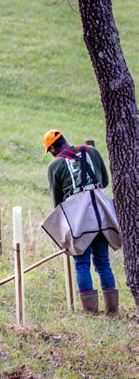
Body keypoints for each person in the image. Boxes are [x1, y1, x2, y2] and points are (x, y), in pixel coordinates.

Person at [43, 130, 119, 315]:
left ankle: (91, 314)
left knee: (82, 264)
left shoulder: (55, 165)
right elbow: (105, 181)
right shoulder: (91, 151)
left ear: (52, 148)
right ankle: (112, 312)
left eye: (50, 150)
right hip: (101, 213)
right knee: (103, 262)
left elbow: (58, 202)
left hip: (79, 218)